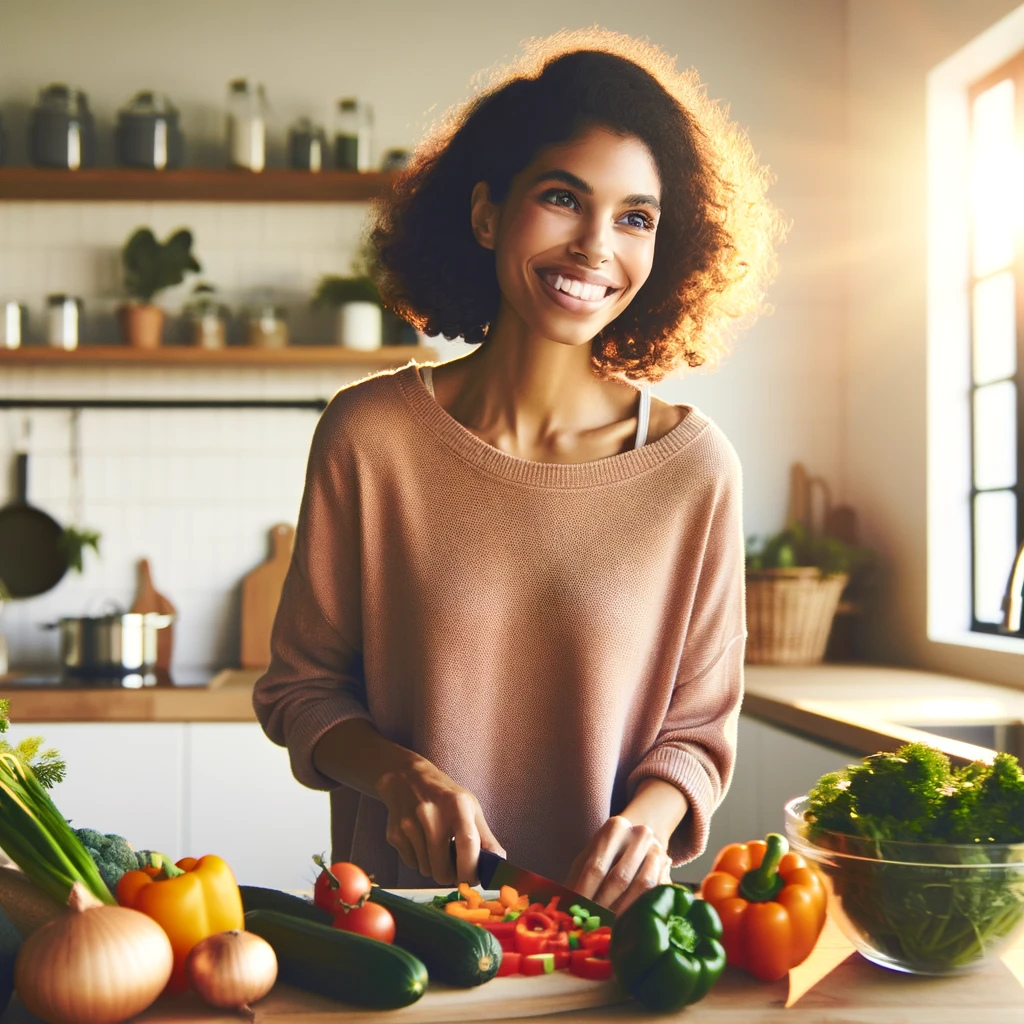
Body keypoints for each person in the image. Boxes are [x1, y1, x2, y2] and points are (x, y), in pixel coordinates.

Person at [253, 27, 781, 914]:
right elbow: (302, 691)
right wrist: (398, 776)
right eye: (564, 199)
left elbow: (696, 738)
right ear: (487, 213)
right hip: (407, 935)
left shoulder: (695, 472)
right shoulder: (370, 436)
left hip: (600, 942)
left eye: (636, 218)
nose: (596, 248)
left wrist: (648, 824)